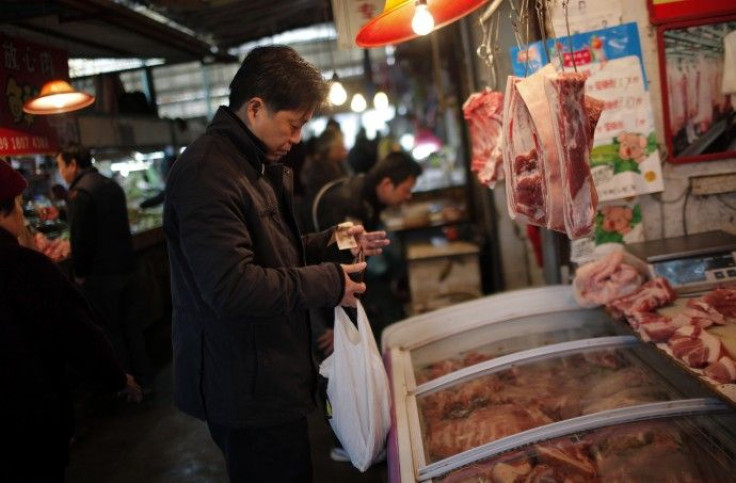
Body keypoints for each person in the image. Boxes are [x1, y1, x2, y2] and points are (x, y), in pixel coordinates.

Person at [163, 45, 389, 483]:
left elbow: (273, 253)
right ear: (255, 108)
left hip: (265, 372)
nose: (298, 138)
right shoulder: (207, 173)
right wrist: (329, 282)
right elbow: (232, 286)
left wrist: (332, 240)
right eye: (294, 124)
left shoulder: (251, 164)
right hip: (243, 385)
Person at [0, 160, 143, 482]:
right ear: (6, 210)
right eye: (20, 208)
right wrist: (117, 379)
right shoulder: (26, 267)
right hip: (30, 426)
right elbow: (78, 334)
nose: (23, 216)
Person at [56, 143, 153, 390]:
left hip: (103, 275)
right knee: (132, 328)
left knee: (112, 332)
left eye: (60, 166)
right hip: (128, 267)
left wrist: (79, 273)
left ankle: (127, 387)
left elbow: (80, 239)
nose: (61, 173)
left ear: (73, 164)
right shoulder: (110, 184)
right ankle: (146, 381)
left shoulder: (80, 193)